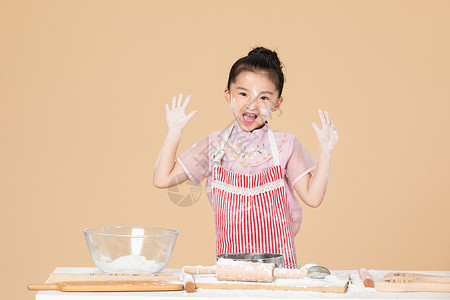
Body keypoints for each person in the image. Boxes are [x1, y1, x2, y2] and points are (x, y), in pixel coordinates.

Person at [153, 47, 339, 269]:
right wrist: (174, 133)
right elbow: (162, 179)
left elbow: (313, 198)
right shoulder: (215, 146)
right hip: (232, 273)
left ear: (277, 103)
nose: (252, 105)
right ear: (228, 95)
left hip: (280, 273)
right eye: (243, 94)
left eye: (264, 98)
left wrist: (325, 150)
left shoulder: (286, 145)